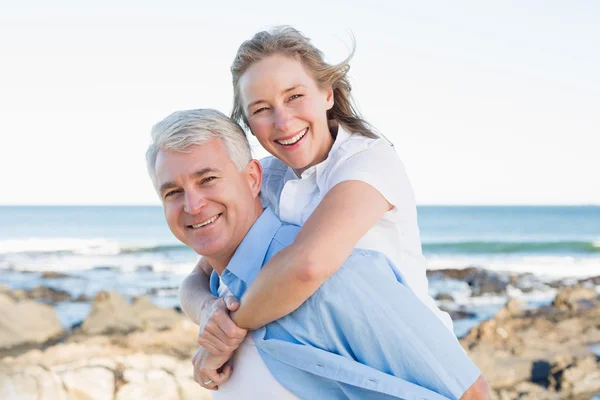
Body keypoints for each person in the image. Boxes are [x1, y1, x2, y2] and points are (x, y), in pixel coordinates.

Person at [179, 25, 455, 389]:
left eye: (294, 96)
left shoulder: (367, 161)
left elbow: (308, 266)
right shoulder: (268, 177)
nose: (283, 121)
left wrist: (226, 337)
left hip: (410, 365)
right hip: (336, 372)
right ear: (249, 124)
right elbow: (200, 276)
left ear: (327, 93)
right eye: (262, 109)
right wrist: (207, 313)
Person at [146, 108, 488, 399]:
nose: (192, 205)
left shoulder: (337, 281)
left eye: (207, 179)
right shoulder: (222, 288)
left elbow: (471, 393)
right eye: (173, 192)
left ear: (252, 178)